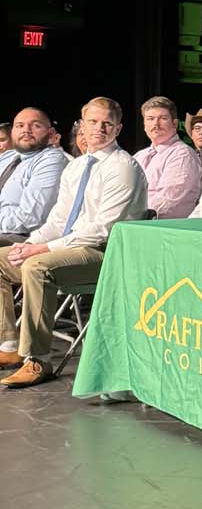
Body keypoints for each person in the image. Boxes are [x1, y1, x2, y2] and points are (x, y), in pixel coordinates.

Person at [0, 96, 148, 388]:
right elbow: (57, 220)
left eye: (108, 123)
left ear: (118, 128)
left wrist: (41, 249)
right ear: (82, 125)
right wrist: (28, 244)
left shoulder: (123, 167)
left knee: (38, 266)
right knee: (4, 258)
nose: (99, 128)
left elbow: (102, 230)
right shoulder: (77, 167)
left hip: (106, 254)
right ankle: (8, 346)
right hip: (70, 248)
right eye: (93, 121)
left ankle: (38, 359)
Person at [0, 109, 70, 354]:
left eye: (35, 125)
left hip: (25, 236)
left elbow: (30, 217)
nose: (26, 130)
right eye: (20, 125)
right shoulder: (8, 158)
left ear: (50, 133)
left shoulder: (51, 160)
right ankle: (6, 340)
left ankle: (5, 342)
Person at [134, 95, 202, 219]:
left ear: (175, 123)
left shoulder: (183, 155)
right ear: (144, 125)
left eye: (163, 118)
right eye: (150, 119)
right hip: (135, 223)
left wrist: (129, 214)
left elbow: (168, 200)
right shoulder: (139, 156)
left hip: (163, 228)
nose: (156, 123)